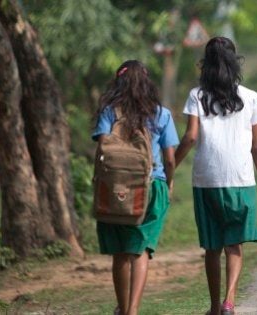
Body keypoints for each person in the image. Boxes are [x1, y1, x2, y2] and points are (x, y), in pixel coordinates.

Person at [173, 36, 257, 315]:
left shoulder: (197, 96)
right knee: (234, 245)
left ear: (206, 65)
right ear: (235, 63)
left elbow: (191, 136)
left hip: (206, 180)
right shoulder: (251, 97)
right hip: (241, 180)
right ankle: (229, 302)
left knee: (212, 247)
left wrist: (169, 165)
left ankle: (212, 306)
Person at [92, 60, 179, 315]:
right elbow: (170, 158)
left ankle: (122, 308)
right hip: (152, 187)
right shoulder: (160, 114)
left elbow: (101, 149)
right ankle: (133, 310)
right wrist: (169, 183)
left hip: (115, 187)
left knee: (120, 252)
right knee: (140, 251)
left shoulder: (109, 112)